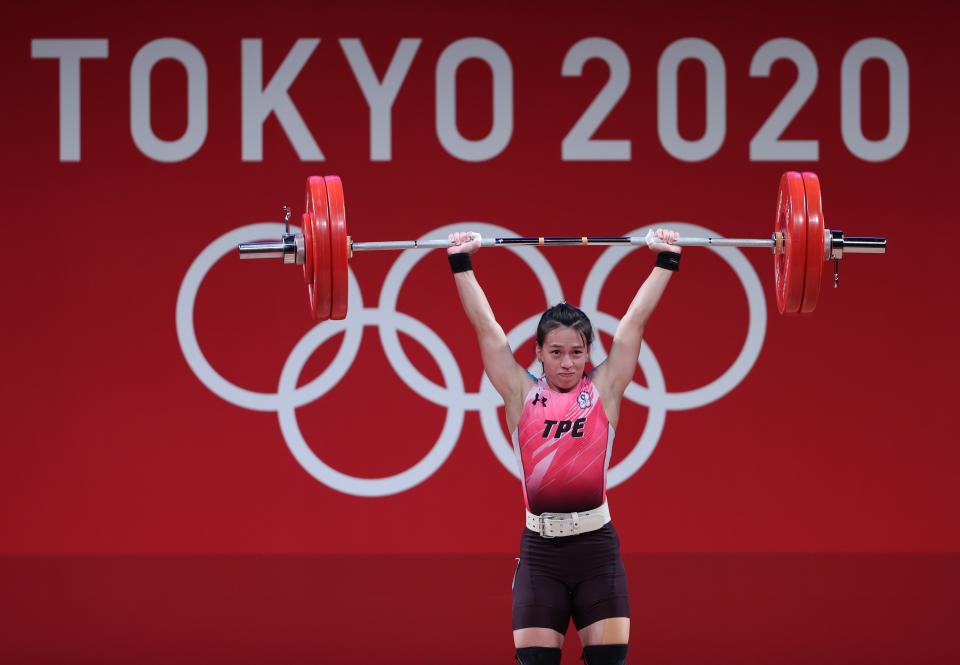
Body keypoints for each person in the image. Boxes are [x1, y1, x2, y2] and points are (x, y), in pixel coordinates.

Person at [446, 229, 682, 665]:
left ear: (589, 352)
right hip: (541, 555)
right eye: (556, 352)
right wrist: (462, 262)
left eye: (576, 352)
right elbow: (486, 328)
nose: (567, 362)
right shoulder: (519, 393)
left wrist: (666, 260)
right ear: (538, 352)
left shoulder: (605, 390)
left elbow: (634, 325)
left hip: (597, 552)